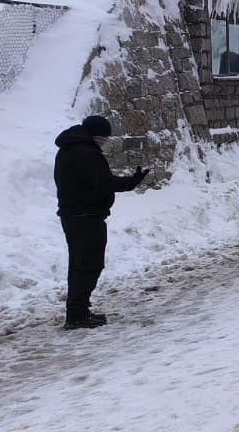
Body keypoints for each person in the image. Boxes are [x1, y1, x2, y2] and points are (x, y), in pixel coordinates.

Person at [53, 115, 151, 329]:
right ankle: (77, 314)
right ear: (97, 137)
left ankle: (79, 309)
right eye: (105, 138)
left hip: (77, 215)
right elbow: (103, 182)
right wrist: (131, 182)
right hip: (85, 216)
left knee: (82, 263)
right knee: (87, 264)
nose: (107, 142)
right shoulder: (85, 153)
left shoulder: (69, 149)